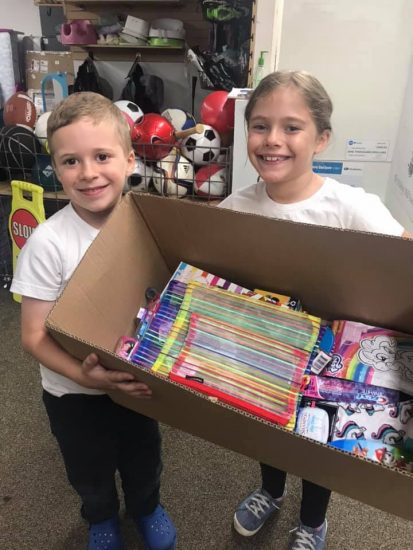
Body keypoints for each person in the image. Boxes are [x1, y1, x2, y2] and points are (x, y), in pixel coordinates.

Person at [219, 70, 412, 550]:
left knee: (319, 441)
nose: (273, 140)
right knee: (267, 430)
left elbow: (403, 256)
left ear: (321, 138)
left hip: (332, 363)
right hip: (266, 351)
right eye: (260, 126)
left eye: (292, 127)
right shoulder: (235, 207)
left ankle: (312, 521)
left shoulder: (350, 208)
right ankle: (270, 489)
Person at [10, 92, 177, 550]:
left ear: (128, 160)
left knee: (144, 457)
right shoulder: (49, 243)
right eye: (70, 161)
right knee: (88, 467)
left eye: (101, 156)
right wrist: (84, 374)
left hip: (136, 381)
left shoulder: (147, 224)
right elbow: (33, 336)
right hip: (73, 392)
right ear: (55, 169)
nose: (87, 173)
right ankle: (99, 517)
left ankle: (146, 507)